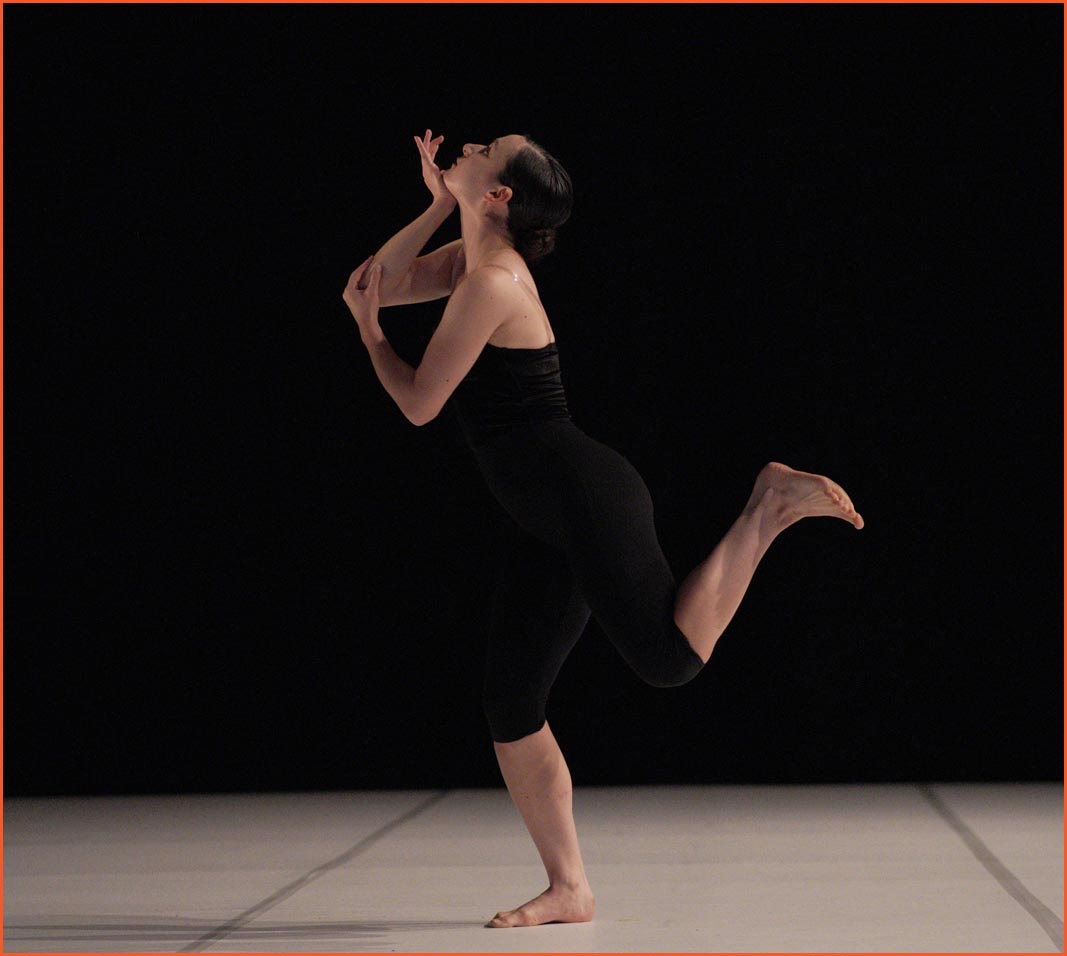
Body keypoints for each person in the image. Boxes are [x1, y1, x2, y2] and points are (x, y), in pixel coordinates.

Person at [341, 129, 865, 929]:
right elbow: (376, 281)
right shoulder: (472, 262)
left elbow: (417, 402)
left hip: (582, 497)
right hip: (544, 515)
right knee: (511, 703)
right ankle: (570, 889)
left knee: (670, 661)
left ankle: (765, 508)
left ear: (498, 195)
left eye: (483, 150)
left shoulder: (491, 282)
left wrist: (370, 335)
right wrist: (433, 205)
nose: (467, 145)